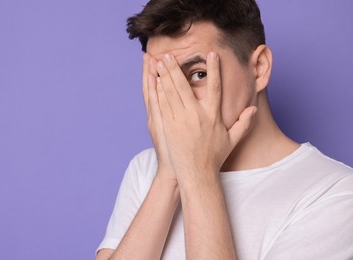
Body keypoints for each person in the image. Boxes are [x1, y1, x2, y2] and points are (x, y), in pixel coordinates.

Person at [96, 0, 353, 259]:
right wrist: (169, 174)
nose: (177, 95)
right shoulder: (146, 171)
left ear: (259, 68)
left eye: (198, 74)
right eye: (163, 78)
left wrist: (198, 171)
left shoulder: (335, 195)